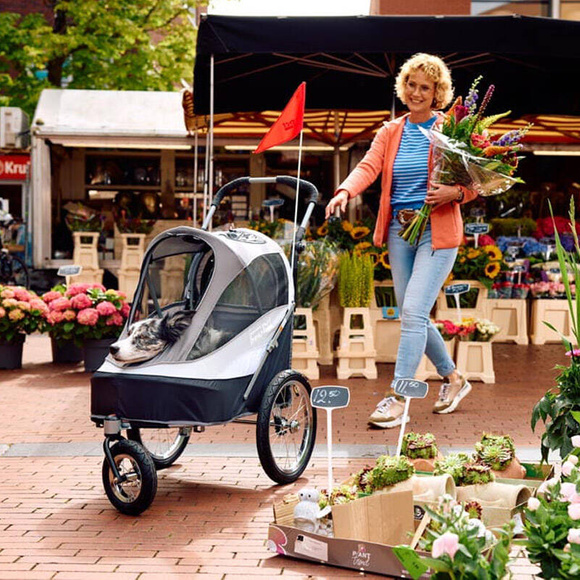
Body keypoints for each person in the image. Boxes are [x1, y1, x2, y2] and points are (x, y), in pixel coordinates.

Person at [325, 53, 478, 428]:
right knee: (414, 314)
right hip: (399, 231)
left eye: (425, 87)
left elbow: (476, 182)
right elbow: (368, 166)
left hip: (436, 233)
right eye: (411, 84)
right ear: (403, 86)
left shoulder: (450, 130)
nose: (416, 92)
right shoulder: (390, 131)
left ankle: (397, 396)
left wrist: (454, 194)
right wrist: (345, 191)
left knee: (411, 314)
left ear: (437, 92)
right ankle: (454, 379)